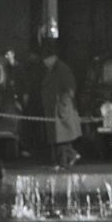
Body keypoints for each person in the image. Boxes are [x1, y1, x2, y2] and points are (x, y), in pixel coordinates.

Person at [39, 40, 81, 168]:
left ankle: (66, 160)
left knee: (61, 137)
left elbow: (70, 89)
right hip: (54, 109)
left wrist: (62, 104)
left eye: (45, 60)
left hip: (60, 109)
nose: (44, 63)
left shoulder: (62, 69)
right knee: (59, 138)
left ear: (52, 58)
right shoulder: (53, 69)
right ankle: (64, 160)